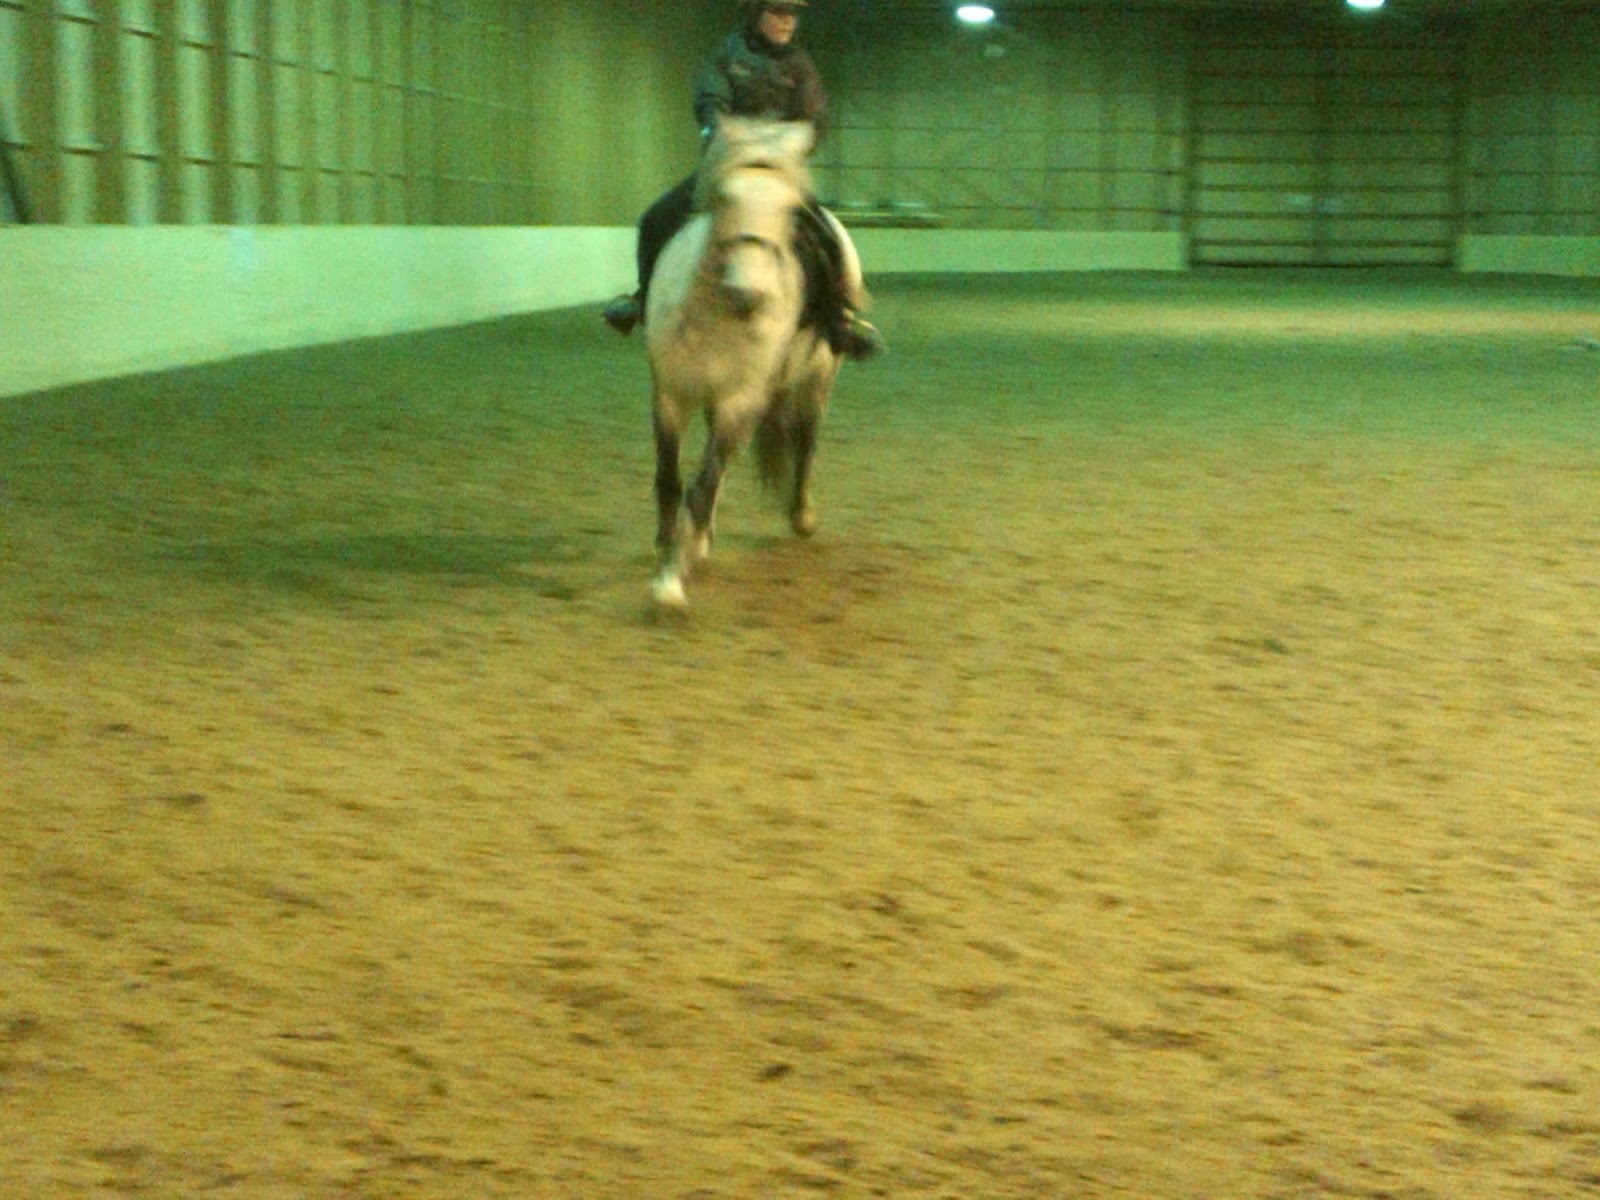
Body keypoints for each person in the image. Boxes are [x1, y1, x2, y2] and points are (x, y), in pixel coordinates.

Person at [603, 0, 886, 360]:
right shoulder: (727, 57)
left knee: (828, 238)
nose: (787, 21)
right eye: (778, 12)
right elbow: (710, 101)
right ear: (755, 13)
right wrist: (719, 134)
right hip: (730, 164)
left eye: (792, 14)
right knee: (656, 220)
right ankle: (644, 300)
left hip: (780, 171)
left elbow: (815, 115)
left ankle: (841, 318)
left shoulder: (800, 65)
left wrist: (800, 143)